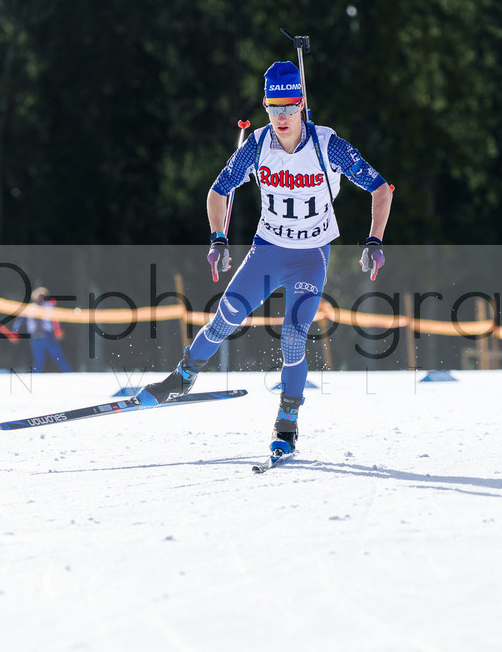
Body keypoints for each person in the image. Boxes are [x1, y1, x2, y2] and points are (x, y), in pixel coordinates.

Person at [138, 60, 392, 458]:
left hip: (310, 256)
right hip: (268, 250)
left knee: (293, 337)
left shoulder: (329, 146)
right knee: (227, 315)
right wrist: (218, 239)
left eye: (289, 108)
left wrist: (374, 239)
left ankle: (286, 424)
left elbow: (381, 188)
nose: (281, 117)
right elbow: (219, 190)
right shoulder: (256, 145)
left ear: (302, 104)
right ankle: (182, 376)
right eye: (274, 108)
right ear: (265, 105)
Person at [12, 287, 72, 373]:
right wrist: (15, 331)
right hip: (35, 337)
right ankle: (36, 378)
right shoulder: (30, 308)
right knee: (39, 360)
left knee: (58, 357)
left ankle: (69, 373)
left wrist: (59, 330)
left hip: (48, 336)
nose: (40, 298)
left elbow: (57, 320)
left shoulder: (49, 307)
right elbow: (19, 321)